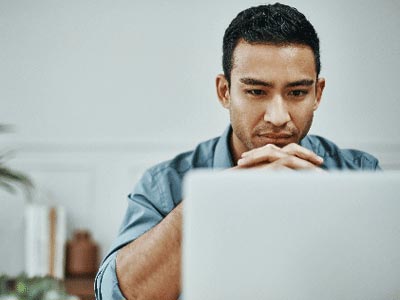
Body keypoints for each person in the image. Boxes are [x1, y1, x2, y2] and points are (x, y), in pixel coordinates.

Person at [95, 3, 380, 299]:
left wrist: (335, 211)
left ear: (317, 93)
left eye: (297, 93)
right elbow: (117, 293)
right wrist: (214, 200)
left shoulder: (360, 173)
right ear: (224, 92)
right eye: (256, 91)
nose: (278, 116)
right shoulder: (164, 186)